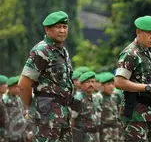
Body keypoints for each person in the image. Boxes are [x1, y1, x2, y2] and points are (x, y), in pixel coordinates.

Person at [18, 11, 80, 142]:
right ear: (48, 29)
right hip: (46, 114)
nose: (62, 31)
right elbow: (23, 85)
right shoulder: (41, 50)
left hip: (63, 112)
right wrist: (30, 107)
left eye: (65, 27)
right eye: (58, 27)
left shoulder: (63, 51)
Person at [72, 71, 100, 142]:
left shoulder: (95, 98)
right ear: (81, 85)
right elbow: (72, 120)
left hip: (95, 136)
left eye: (93, 82)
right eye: (87, 82)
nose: (91, 84)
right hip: (83, 137)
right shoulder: (78, 98)